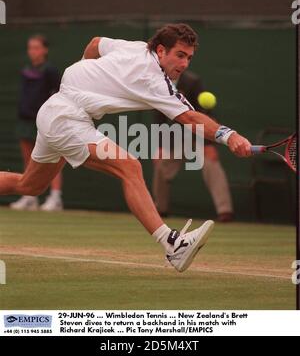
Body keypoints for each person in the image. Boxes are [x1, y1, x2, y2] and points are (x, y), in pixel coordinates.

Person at [0, 24, 252, 273]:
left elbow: (95, 43)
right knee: (129, 166)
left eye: (189, 57)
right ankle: (172, 244)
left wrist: (83, 71)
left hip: (57, 110)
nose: (185, 64)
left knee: (29, 186)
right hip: (65, 117)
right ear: (161, 51)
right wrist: (229, 135)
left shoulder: (135, 48)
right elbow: (190, 118)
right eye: (180, 55)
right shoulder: (154, 80)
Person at [152, 70, 234, 222]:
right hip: (174, 136)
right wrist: (160, 145)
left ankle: (225, 211)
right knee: (161, 165)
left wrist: (208, 143)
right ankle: (160, 209)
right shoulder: (158, 83)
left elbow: (206, 113)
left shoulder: (192, 82)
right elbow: (159, 117)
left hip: (197, 135)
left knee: (212, 164)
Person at [10, 34, 63, 211]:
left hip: (45, 121)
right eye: (30, 47)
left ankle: (55, 198)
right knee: (29, 160)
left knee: (52, 160)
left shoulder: (50, 71)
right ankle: (29, 197)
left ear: (45, 50)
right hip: (25, 119)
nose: (33, 51)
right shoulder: (25, 70)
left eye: (36, 47)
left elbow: (58, 93)